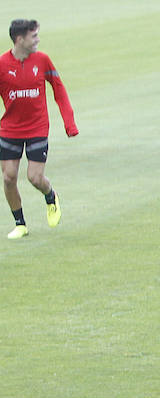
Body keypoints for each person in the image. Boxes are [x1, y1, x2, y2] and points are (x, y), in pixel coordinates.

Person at [1, 19, 76, 240]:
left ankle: (51, 196)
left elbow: (59, 90)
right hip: (9, 129)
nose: (38, 40)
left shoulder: (42, 60)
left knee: (34, 178)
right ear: (19, 39)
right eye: (34, 36)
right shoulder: (2, 64)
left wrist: (69, 123)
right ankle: (20, 223)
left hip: (37, 127)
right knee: (8, 178)